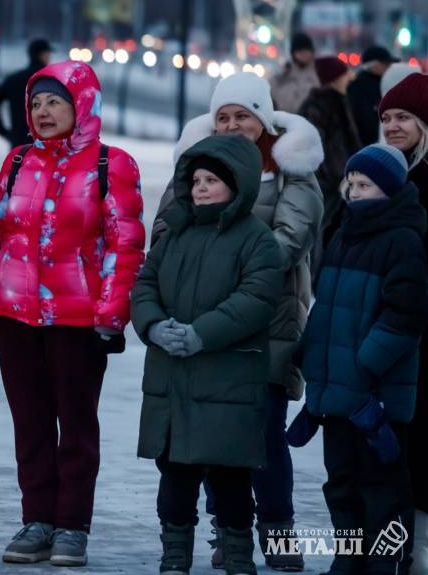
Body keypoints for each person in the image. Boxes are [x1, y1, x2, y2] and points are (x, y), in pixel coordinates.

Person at [0, 61, 145, 566]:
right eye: (36, 103)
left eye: (54, 102)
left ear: (81, 105)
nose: (42, 112)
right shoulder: (18, 161)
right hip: (14, 315)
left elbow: (123, 246)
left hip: (76, 318)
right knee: (31, 423)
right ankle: (37, 519)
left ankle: (72, 526)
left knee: (77, 424)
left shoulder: (112, 165)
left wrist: (112, 314)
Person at [154, 72, 324, 571]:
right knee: (211, 434)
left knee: (264, 434)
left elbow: (291, 238)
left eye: (242, 116)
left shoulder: (292, 170)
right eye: (222, 116)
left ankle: (278, 530)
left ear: (263, 119)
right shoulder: (199, 167)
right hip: (201, 322)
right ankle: (227, 533)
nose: (231, 125)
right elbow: (165, 229)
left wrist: (226, 266)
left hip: (266, 323)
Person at [131, 134, 284, 575]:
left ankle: (238, 556)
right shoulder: (176, 232)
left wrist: (202, 334)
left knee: (230, 481)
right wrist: (155, 325)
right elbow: (144, 285)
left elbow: (256, 299)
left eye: (211, 180)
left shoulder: (257, 241)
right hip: (173, 382)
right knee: (175, 480)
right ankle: (174, 555)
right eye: (195, 179)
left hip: (227, 384)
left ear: (238, 184)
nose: (200, 187)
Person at [290, 143, 426, 575]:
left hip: (375, 395)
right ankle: (349, 555)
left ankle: (386, 562)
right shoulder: (344, 233)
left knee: (382, 486)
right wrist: (310, 354)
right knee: (341, 482)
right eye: (350, 183)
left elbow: (404, 315)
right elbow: (326, 307)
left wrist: (362, 364)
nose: (353, 192)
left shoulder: (402, 240)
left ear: (388, 190)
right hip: (338, 395)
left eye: (364, 184)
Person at [377, 72, 428, 573]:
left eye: (404, 118)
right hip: (385, 332)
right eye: (387, 117)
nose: (393, 125)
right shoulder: (378, 175)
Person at [299, 55, 361, 278]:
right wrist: (329, 176)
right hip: (327, 184)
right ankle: (314, 276)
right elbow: (312, 147)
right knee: (319, 231)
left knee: (331, 230)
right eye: (344, 75)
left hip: (341, 181)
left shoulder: (339, 100)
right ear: (334, 78)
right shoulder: (318, 105)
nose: (348, 79)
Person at [0, 38, 51, 148]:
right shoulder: (52, 80)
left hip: (19, 141)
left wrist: (2, 130)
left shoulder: (15, 79)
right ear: (42, 55)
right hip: (47, 140)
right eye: (47, 54)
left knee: (19, 164)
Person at [347, 46, 397, 145]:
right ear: (373, 65)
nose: (389, 67)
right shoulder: (357, 85)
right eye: (385, 64)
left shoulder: (384, 81)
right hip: (365, 144)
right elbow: (362, 117)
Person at [270, 32, 319, 112]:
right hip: (286, 122)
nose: (304, 54)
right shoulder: (281, 78)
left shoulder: (320, 74)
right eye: (300, 51)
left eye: (306, 51)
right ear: (293, 53)